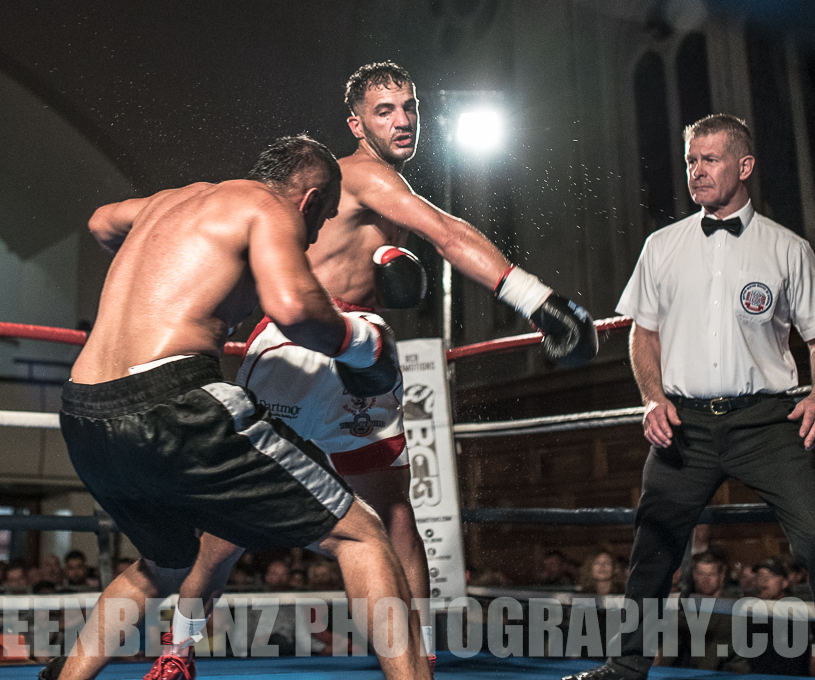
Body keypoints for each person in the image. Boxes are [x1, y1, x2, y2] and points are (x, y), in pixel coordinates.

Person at [239, 62, 598, 649]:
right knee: (374, 516)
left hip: (334, 350)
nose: (403, 120)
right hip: (314, 343)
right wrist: (538, 300)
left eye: (409, 107)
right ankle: (418, 653)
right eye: (385, 110)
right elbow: (447, 232)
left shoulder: (376, 190)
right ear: (356, 123)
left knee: (387, 511)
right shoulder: (359, 174)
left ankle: (417, 647)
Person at [46, 135, 429, 680]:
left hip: (84, 409)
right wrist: (364, 344)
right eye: (320, 221)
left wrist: (162, 266)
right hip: (170, 399)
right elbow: (295, 309)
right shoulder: (268, 206)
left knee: (164, 564)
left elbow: (102, 222)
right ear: (309, 199)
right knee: (362, 534)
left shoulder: (172, 200)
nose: (315, 237)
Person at [565, 114, 815, 680]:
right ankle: (626, 667)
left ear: (744, 166)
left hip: (767, 421)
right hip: (683, 424)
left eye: (710, 159)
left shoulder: (787, 248)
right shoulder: (663, 245)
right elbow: (642, 332)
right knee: (653, 548)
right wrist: (652, 398)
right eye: (691, 161)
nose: (696, 171)